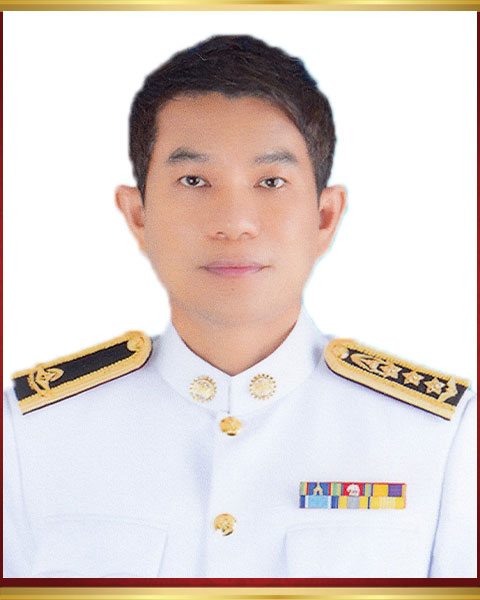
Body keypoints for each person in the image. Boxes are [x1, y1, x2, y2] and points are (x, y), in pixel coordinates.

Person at [3, 35, 476, 579]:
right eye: (194, 180)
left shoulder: (437, 435)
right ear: (138, 215)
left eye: (271, 181)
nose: (234, 223)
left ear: (325, 216)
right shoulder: (31, 432)